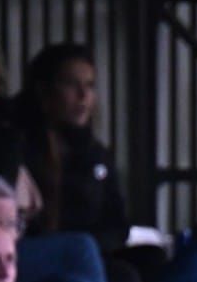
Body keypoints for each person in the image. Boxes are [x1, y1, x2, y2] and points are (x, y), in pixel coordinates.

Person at [10, 44, 128, 255]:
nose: (83, 95)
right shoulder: (20, 145)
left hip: (90, 253)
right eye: (71, 84)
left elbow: (117, 222)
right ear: (44, 90)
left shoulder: (97, 153)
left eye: (90, 85)